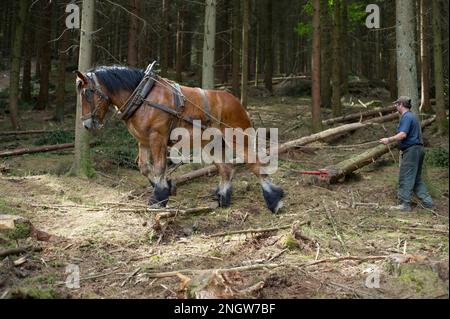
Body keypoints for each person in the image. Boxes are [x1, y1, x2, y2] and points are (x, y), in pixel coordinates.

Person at [379, 96, 433, 212]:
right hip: (417, 150)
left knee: (405, 177)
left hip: (412, 151)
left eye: (396, 104)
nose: (395, 106)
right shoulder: (412, 117)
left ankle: (404, 204)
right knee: (416, 179)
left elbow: (403, 134)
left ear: (401, 105)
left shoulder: (407, 117)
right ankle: (428, 202)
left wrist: (388, 139)